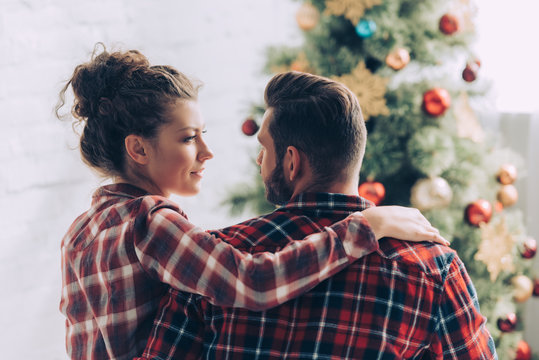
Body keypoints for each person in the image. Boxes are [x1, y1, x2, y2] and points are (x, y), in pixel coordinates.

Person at [57, 46, 446, 360]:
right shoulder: (151, 223)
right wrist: (367, 227)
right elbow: (254, 281)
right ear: (138, 148)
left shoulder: (80, 231)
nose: (207, 152)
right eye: (188, 138)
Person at [138, 71, 497, 359]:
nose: (259, 160)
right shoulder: (433, 266)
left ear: (292, 163)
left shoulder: (217, 258)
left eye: (264, 148)